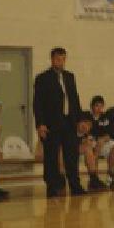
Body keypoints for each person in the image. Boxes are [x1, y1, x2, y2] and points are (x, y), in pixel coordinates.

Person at [33, 47, 85, 197]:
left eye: (63, 59)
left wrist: (80, 119)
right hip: (51, 122)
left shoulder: (70, 76)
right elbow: (38, 103)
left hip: (69, 121)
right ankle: (52, 186)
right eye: (58, 59)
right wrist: (40, 124)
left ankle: (75, 185)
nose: (61, 62)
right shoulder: (42, 78)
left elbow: (75, 99)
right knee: (51, 156)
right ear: (52, 59)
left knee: (72, 154)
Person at [88, 95, 114, 188]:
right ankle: (94, 177)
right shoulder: (87, 116)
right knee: (96, 145)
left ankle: (111, 173)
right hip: (91, 142)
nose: (99, 108)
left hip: (102, 142)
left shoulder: (105, 117)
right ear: (92, 106)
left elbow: (109, 133)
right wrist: (96, 140)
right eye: (97, 106)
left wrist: (104, 139)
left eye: (101, 106)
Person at [75, 111, 108, 191]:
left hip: (78, 148)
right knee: (87, 148)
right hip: (65, 148)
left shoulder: (87, 134)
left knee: (88, 148)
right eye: (84, 124)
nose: (86, 127)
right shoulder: (70, 130)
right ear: (78, 123)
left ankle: (93, 178)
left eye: (89, 125)